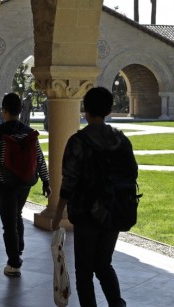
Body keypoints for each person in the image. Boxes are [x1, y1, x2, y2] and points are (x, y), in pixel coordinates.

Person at [51, 87, 133, 307]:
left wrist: (58, 212)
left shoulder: (78, 141)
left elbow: (69, 181)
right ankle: (117, 303)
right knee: (104, 263)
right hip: (113, 210)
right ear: (108, 109)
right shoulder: (121, 140)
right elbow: (131, 173)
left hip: (86, 212)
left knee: (84, 270)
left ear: (86, 109)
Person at [0, 92, 50, 277]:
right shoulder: (29, 133)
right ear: (20, 110)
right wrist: (46, 181)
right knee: (17, 214)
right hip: (25, 182)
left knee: (8, 223)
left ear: (4, 111)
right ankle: (19, 248)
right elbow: (39, 158)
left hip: (5, 183)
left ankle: (14, 262)